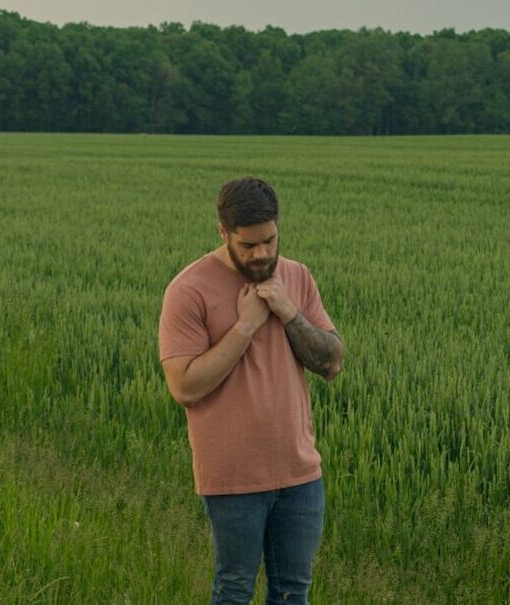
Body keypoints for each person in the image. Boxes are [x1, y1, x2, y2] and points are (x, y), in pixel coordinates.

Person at [158, 176, 344, 605]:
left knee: (292, 592)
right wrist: (245, 325)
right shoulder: (188, 290)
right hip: (232, 477)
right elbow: (185, 386)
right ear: (223, 233)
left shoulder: (296, 278)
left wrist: (287, 311)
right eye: (248, 245)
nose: (262, 254)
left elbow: (332, 363)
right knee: (235, 589)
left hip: (300, 473)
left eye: (270, 241)